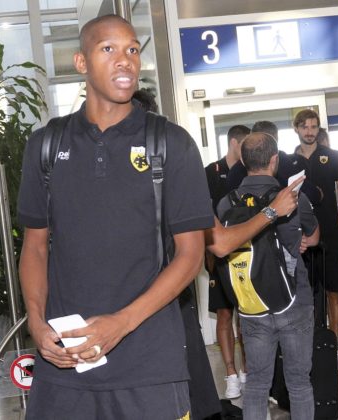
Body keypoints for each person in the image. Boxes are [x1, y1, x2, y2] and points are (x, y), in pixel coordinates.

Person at [17, 15, 214, 419]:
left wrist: (120, 324)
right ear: (81, 62)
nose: (125, 60)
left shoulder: (170, 144)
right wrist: (36, 322)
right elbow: (34, 247)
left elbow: (191, 255)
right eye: (108, 49)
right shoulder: (46, 146)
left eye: (132, 50)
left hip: (150, 370)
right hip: (64, 370)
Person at [217, 132, 319, 420]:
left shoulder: (226, 203)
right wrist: (299, 239)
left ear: (242, 161)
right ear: (274, 160)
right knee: (299, 383)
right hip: (294, 299)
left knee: (257, 384)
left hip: (251, 303)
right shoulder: (292, 198)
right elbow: (313, 237)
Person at [293, 109, 338, 365]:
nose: (310, 132)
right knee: (304, 296)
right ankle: (308, 348)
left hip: (331, 234)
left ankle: (334, 346)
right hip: (301, 237)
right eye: (305, 127)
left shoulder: (333, 156)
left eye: (314, 127)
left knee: (334, 292)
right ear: (297, 129)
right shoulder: (289, 161)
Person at [205, 125, 250, 399]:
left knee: (246, 316)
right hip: (218, 254)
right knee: (224, 313)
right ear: (234, 142)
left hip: (245, 253)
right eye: (244, 143)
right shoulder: (211, 172)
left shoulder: (249, 171)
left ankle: (247, 370)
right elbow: (202, 214)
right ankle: (231, 374)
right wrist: (208, 252)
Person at [226, 120, 322, 206]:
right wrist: (317, 193)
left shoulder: (234, 171)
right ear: (275, 140)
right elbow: (311, 195)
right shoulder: (282, 161)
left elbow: (228, 206)